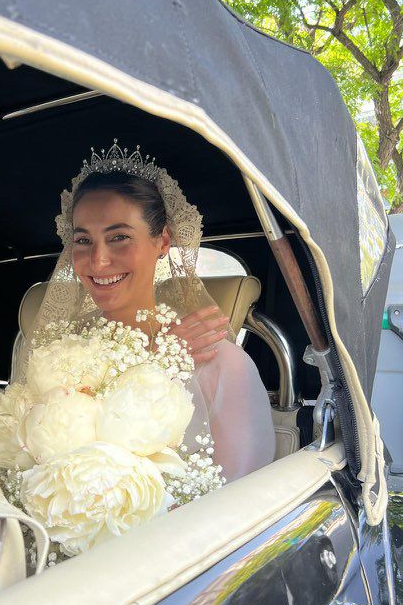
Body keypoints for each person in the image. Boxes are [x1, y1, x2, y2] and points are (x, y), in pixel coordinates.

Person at [21, 141, 275, 480]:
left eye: (119, 237)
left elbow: (242, 505)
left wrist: (163, 367)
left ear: (163, 242)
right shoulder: (52, 353)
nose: (98, 261)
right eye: (83, 241)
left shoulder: (222, 364)